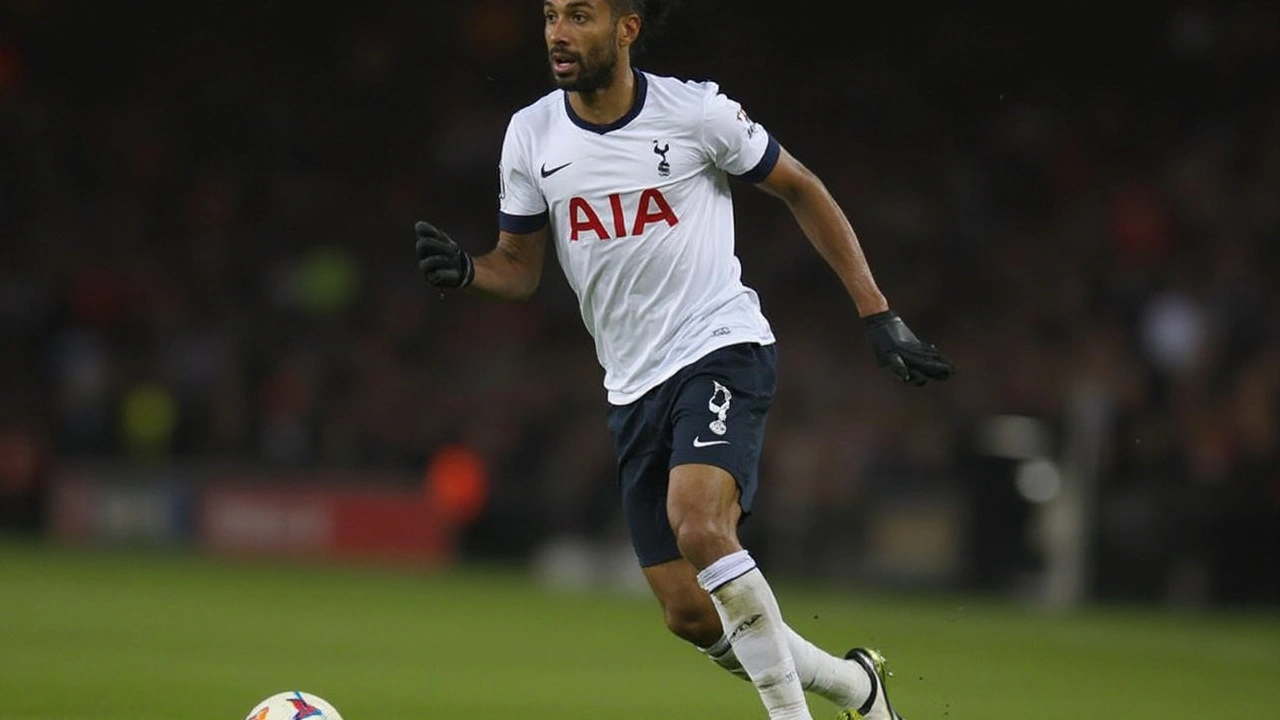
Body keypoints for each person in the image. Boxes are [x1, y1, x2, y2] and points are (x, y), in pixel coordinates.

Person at [414, 1, 955, 718]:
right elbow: (518, 266)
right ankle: (858, 688)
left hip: (719, 348)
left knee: (700, 524)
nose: (558, 32)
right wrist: (469, 272)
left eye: (579, 15)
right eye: (550, 15)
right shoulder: (531, 133)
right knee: (691, 615)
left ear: (626, 29)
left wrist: (877, 312)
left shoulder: (695, 114)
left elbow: (802, 186)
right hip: (632, 387)